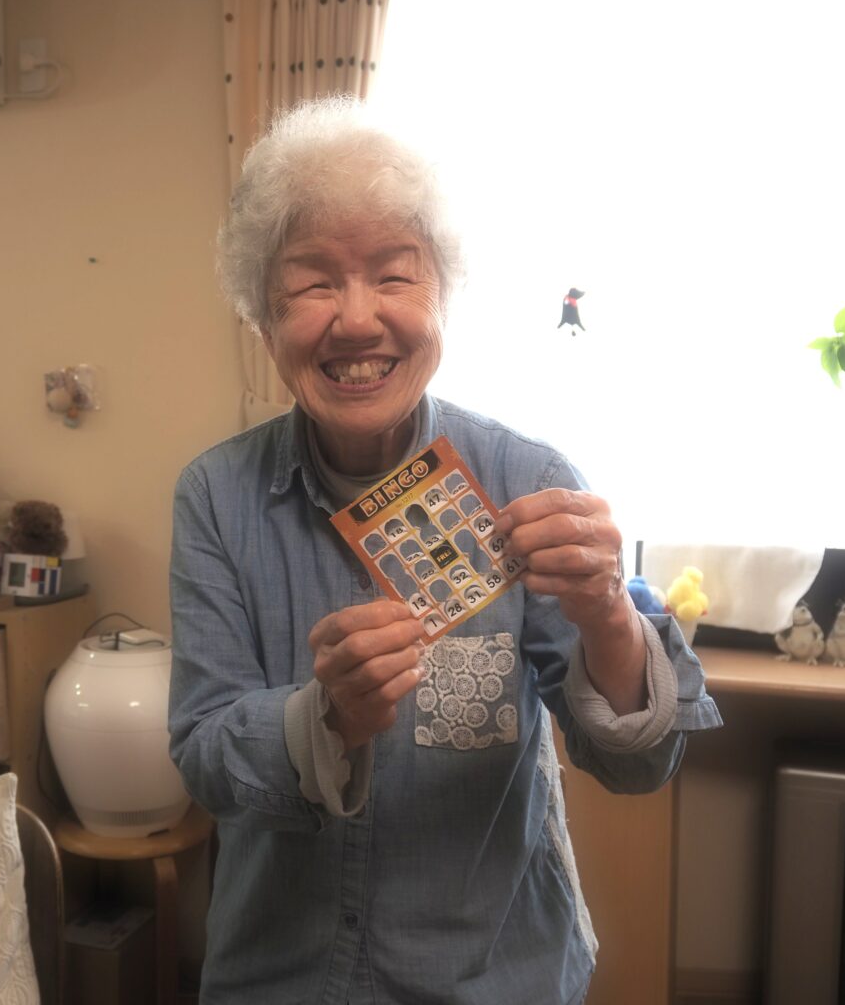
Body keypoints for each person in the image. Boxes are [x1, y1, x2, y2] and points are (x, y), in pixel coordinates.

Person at [169, 96, 721, 1005]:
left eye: (394, 276)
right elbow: (200, 752)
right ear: (263, 323)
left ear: (441, 301)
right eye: (312, 284)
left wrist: (606, 617)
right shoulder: (216, 497)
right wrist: (323, 719)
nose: (356, 320)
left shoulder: (527, 478)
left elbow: (636, 764)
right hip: (281, 976)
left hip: (491, 977)